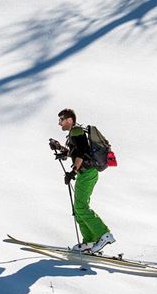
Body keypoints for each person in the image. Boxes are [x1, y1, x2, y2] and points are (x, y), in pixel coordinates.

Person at [49, 108, 115, 253]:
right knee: (78, 208)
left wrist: (73, 171)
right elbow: (75, 151)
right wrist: (60, 148)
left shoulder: (77, 131)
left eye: (61, 119)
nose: (59, 123)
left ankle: (104, 234)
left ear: (70, 120)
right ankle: (90, 241)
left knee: (80, 207)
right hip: (85, 173)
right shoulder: (75, 132)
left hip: (86, 173)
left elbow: (82, 153)